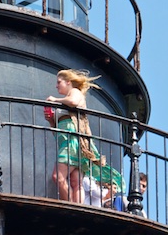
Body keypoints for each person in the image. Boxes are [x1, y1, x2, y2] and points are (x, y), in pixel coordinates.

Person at [44, 69, 123, 203]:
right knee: (76, 182)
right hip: (69, 142)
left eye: (59, 82)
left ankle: (69, 205)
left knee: (58, 176)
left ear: (68, 82)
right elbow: (56, 131)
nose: (56, 86)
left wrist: (55, 99)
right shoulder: (64, 102)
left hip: (73, 142)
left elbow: (74, 102)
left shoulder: (74, 92)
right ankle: (78, 206)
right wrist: (51, 120)